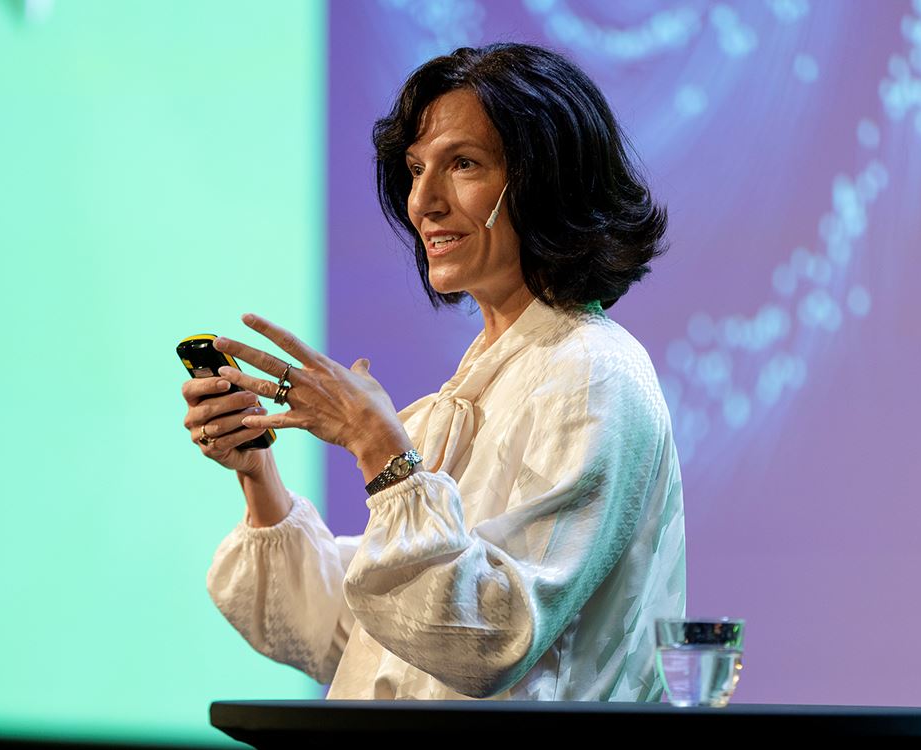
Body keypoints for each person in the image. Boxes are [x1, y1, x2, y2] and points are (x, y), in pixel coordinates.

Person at [182, 43, 686, 701]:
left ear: (546, 179)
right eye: (417, 169)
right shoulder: (474, 390)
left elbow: (487, 638)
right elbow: (359, 636)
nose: (423, 201)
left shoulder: (593, 376)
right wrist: (259, 474)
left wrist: (378, 448)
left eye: (463, 165)